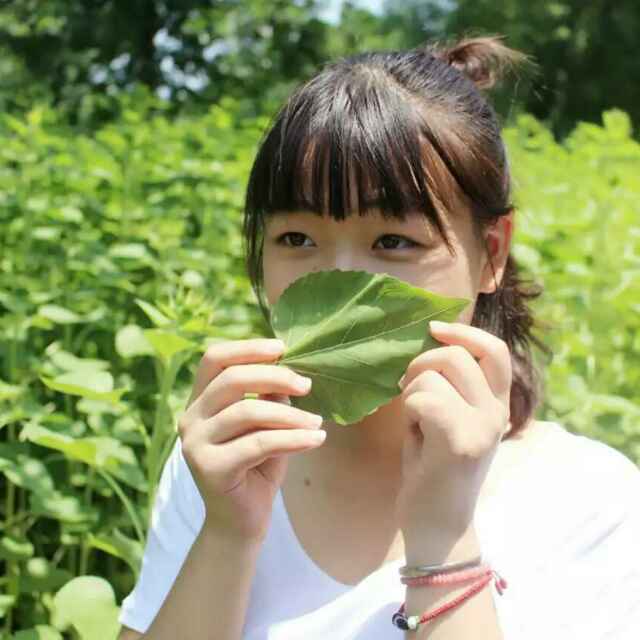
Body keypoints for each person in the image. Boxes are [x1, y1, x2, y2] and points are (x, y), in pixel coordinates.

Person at [117, 35, 640, 639]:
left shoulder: (589, 499)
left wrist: (443, 540)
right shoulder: (227, 461)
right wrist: (228, 532)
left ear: (492, 252)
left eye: (393, 241)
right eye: (296, 239)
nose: (341, 284)